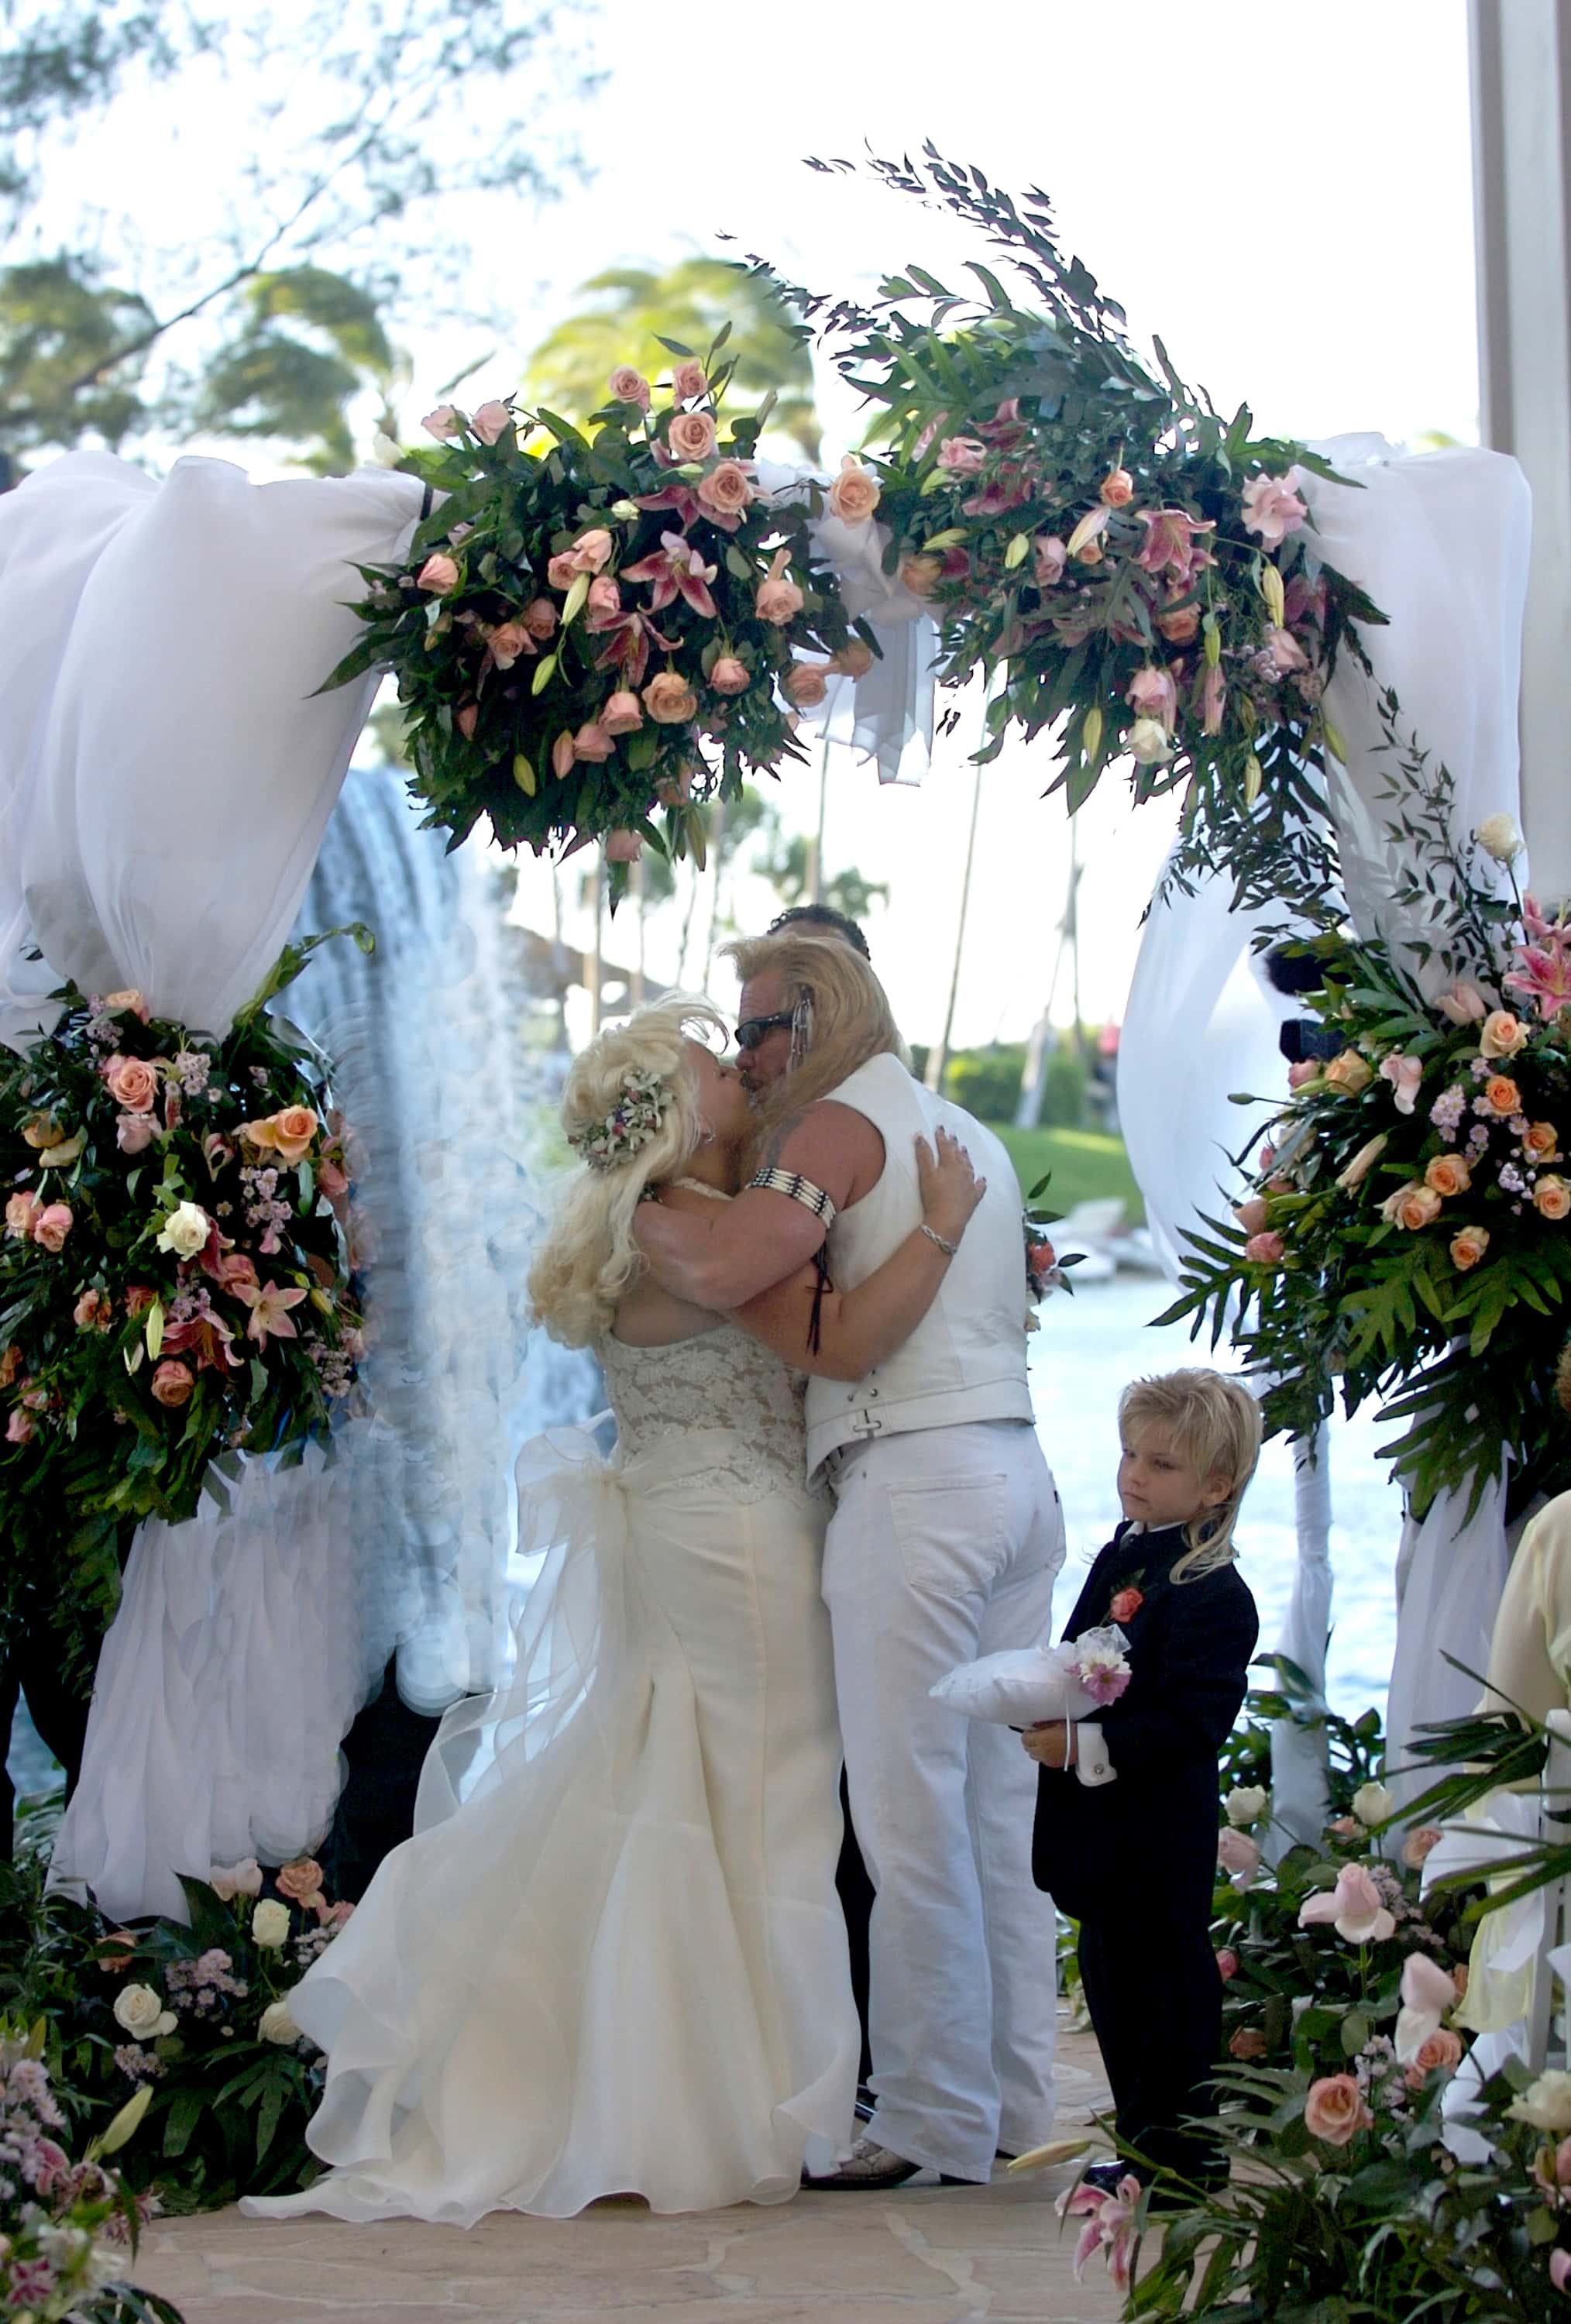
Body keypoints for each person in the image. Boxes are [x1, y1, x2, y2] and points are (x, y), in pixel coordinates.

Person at [244, 998, 985, 2223]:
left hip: (682, 1531)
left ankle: (685, 2083)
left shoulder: (647, 1225)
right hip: (739, 1545)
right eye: (715, 1069)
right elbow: (845, 1340)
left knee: (682, 1794)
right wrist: (945, 1228)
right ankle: (760, 2104)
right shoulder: (699, 1238)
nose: (739, 1071)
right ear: (680, 1117)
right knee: (775, 1809)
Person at [634, 931, 1063, 2191]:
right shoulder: (960, 1130)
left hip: (915, 1487)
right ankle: (1014, 2104)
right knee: (998, 1817)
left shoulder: (836, 1127)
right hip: (1017, 1476)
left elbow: (732, 1267)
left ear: (813, 1023)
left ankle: (929, 2117)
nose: (747, 1056)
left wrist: (639, 1202)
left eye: (757, 1029)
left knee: (907, 1817)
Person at [1026, 1368, 1261, 2202]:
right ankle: (1143, 2144)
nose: (1134, 1475)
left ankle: (1185, 2156)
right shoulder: (1126, 1554)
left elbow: (1193, 1725)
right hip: (1104, 1833)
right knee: (1113, 1985)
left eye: (1161, 1465)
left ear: (1216, 1486)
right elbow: (1080, 1655)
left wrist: (1081, 1746)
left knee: (1165, 1991)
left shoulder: (1214, 1593)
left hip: (1158, 1833)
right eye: (1130, 1455)